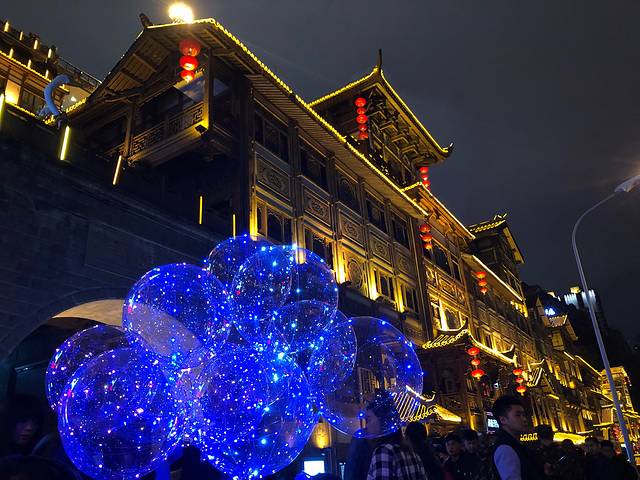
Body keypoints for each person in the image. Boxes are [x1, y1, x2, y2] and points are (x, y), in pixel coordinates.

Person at [362, 392, 425, 480]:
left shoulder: (383, 452)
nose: (366, 426)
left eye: (368, 419)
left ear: (382, 420)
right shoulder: (412, 453)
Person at [491, 395, 543, 480]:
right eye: (518, 415)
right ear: (503, 420)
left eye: (524, 415)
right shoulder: (505, 449)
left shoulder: (516, 445)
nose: (524, 419)